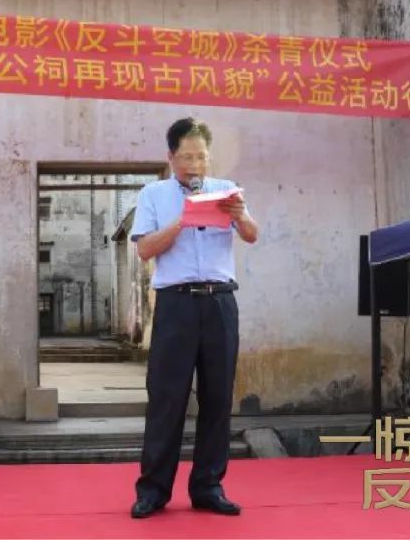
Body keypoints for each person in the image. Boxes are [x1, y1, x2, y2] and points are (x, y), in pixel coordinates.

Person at [128, 117, 259, 519]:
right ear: (171, 157)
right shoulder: (153, 194)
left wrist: (239, 214)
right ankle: (153, 490)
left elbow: (251, 234)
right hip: (176, 303)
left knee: (218, 397)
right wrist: (183, 221)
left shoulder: (226, 189)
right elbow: (145, 249)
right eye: (186, 157)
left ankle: (208, 486)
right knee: (167, 397)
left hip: (220, 303)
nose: (194, 165)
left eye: (201, 156)